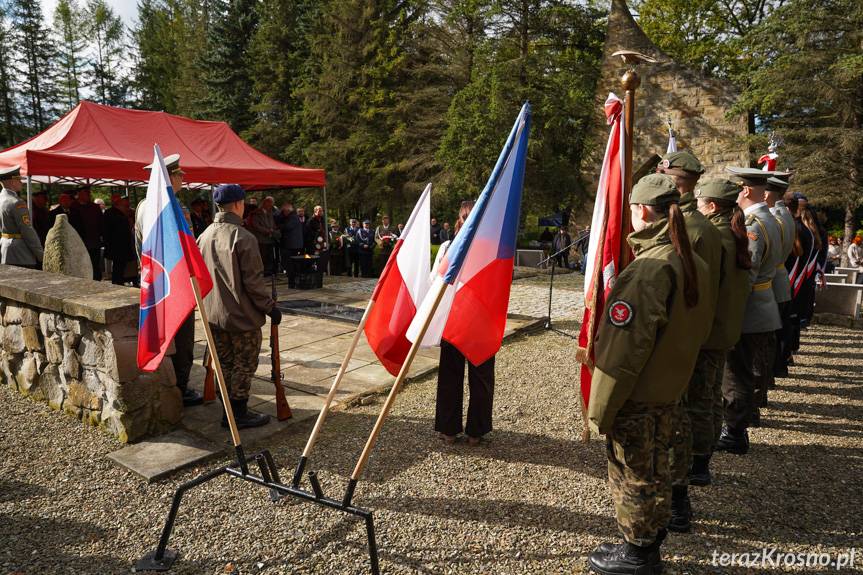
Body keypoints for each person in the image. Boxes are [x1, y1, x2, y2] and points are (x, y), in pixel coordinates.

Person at [586, 174, 711, 575]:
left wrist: (601, 408)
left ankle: (638, 555)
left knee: (636, 473)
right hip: (671, 387)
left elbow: (624, 351)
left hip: (640, 394)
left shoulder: (649, 270)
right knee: (659, 470)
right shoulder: (691, 261)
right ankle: (648, 545)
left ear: (641, 211)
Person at [657, 151, 722, 533]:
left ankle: (677, 500)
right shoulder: (700, 224)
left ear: (672, 179)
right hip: (693, 332)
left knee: (676, 419)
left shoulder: (689, 228)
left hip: (679, 336)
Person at [197, 184, 280, 429]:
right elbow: (254, 284)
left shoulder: (204, 235)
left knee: (224, 363)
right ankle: (238, 415)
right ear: (237, 204)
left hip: (213, 314)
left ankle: (229, 412)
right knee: (244, 364)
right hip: (241, 317)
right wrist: (270, 308)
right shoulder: (243, 237)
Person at [689, 178, 753, 487]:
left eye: (700, 204)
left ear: (712, 206)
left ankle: (698, 465)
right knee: (712, 395)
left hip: (709, 332)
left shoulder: (715, 237)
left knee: (702, 398)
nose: (697, 208)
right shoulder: (734, 234)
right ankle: (704, 454)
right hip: (724, 330)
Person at [716, 167, 782, 454]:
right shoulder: (772, 218)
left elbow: (747, 274)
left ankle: (735, 432)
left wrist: (727, 311)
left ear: (744, 190)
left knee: (736, 372)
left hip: (750, 309)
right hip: (763, 304)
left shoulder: (754, 223)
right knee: (742, 369)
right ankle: (737, 425)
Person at [136, 154, 203, 407]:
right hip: (176, 282)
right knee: (183, 340)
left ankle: (171, 383)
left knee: (166, 335)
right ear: (169, 177)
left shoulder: (144, 205)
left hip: (157, 282)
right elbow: (185, 248)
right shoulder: (172, 207)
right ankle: (181, 387)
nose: (182, 180)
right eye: (178, 175)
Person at [435, 200, 499, 446]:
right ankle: (476, 432)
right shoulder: (492, 248)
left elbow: (435, 282)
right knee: (481, 378)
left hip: (454, 319)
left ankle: (449, 430)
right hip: (480, 320)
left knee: (450, 376)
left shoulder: (447, 248)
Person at [765, 176, 796, 380]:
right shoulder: (783, 213)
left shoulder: (774, 217)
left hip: (773, 280)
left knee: (769, 340)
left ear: (767, 193)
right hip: (780, 278)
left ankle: (767, 378)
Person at [0, 165, 43, 269]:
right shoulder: (17, 202)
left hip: (4, 249)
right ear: (12, 181)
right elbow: (27, 231)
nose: (21, 182)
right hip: (20, 254)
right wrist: (41, 254)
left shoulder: (1, 199)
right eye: (19, 179)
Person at [69, 187, 104, 280]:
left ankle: (97, 282)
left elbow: (101, 223)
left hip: (94, 242)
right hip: (80, 243)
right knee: (83, 266)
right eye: (85, 193)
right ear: (79, 194)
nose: (88, 195)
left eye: (88, 193)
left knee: (95, 265)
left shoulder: (95, 207)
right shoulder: (73, 207)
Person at [102, 193, 136, 286]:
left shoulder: (122, 213)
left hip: (121, 245)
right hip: (117, 246)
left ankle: (120, 281)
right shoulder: (111, 214)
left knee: (120, 266)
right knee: (118, 267)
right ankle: (117, 282)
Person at [249, 196, 279, 276]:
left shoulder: (271, 213)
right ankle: (262, 272)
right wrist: (267, 230)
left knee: (270, 257)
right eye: (269, 204)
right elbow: (256, 225)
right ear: (265, 203)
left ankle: (269, 272)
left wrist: (273, 229)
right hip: (261, 239)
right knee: (262, 256)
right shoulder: (256, 213)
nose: (270, 206)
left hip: (270, 238)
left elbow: (273, 223)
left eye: (271, 204)